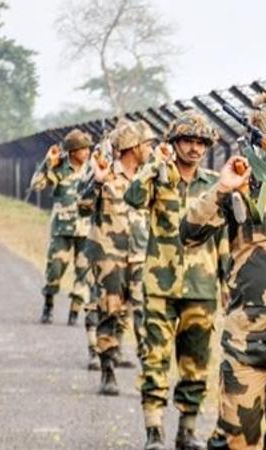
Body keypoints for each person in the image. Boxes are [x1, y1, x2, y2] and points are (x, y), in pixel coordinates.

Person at [180, 90, 266, 450]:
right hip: (247, 342)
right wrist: (222, 189)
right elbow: (190, 233)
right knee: (239, 442)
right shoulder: (242, 185)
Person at [124, 110, 226, 450]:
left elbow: (222, 236)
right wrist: (155, 164)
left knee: (195, 362)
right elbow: (133, 197)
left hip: (202, 285)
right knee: (154, 359)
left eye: (200, 143)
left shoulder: (213, 183)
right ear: (174, 142)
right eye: (188, 141)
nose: (195, 149)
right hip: (160, 284)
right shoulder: (157, 176)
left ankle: (187, 429)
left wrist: (226, 281)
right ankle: (154, 430)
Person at [77, 120, 154, 395]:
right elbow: (84, 208)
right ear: (132, 147)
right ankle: (107, 370)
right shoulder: (105, 175)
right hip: (110, 258)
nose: (150, 148)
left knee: (146, 315)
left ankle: (151, 376)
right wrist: (95, 183)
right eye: (146, 144)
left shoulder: (148, 177)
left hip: (141, 256)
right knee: (109, 312)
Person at [29, 128, 93, 325]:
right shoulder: (59, 168)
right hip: (62, 229)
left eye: (88, 149)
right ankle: (48, 304)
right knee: (54, 270)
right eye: (83, 149)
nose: (87, 152)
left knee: (83, 273)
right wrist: (48, 162)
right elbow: (36, 185)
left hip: (86, 230)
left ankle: (74, 312)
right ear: (73, 151)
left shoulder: (93, 169)